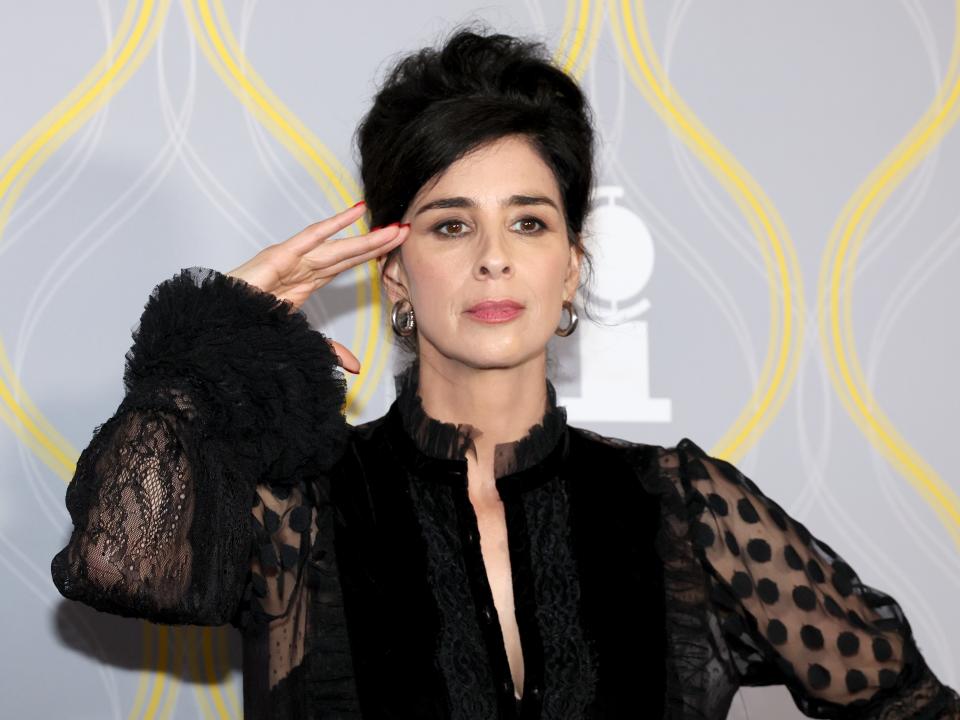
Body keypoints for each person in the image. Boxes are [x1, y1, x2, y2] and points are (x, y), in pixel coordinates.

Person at [50, 23, 959, 720]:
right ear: (395, 275)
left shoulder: (688, 508)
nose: (494, 258)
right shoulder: (301, 508)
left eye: (528, 222)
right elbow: (115, 565)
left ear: (571, 265)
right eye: (450, 224)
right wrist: (218, 331)